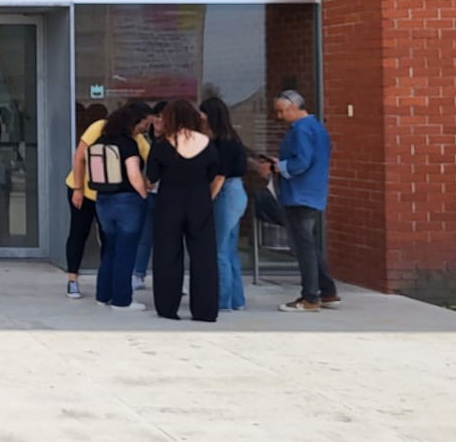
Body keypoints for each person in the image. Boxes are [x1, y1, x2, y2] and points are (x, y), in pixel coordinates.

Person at [253, 90, 338, 312]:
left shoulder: (301, 129)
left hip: (299, 193)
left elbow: (301, 162)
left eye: (281, 111)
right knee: (308, 244)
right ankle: (327, 291)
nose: (279, 116)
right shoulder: (317, 127)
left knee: (303, 247)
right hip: (312, 191)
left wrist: (276, 167)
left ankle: (310, 297)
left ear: (293, 107)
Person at [144, 99, 222, 322]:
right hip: (199, 200)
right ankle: (205, 311)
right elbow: (212, 172)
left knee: (167, 255)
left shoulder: (161, 144)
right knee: (204, 257)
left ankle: (168, 308)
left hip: (169, 201)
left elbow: (152, 176)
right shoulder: (207, 143)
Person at [65, 101, 151, 299]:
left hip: (106, 196)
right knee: (79, 232)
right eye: (144, 124)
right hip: (84, 189)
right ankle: (72, 279)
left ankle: (107, 284)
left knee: (107, 240)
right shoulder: (100, 127)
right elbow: (79, 157)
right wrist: (78, 188)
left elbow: (150, 157)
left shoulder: (136, 138)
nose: (145, 129)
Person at [200, 96, 249, 311]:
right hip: (234, 192)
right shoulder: (231, 139)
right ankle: (236, 300)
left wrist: (206, 200)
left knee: (218, 250)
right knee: (229, 249)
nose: (200, 118)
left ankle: (222, 300)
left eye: (202, 114)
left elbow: (219, 177)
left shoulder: (223, 143)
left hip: (226, 193)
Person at [130, 100, 167, 292]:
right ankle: (138, 274)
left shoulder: (177, 142)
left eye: (163, 117)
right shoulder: (147, 141)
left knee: (167, 239)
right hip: (150, 195)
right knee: (145, 237)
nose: (159, 120)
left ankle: (169, 276)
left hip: (169, 197)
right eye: (157, 116)